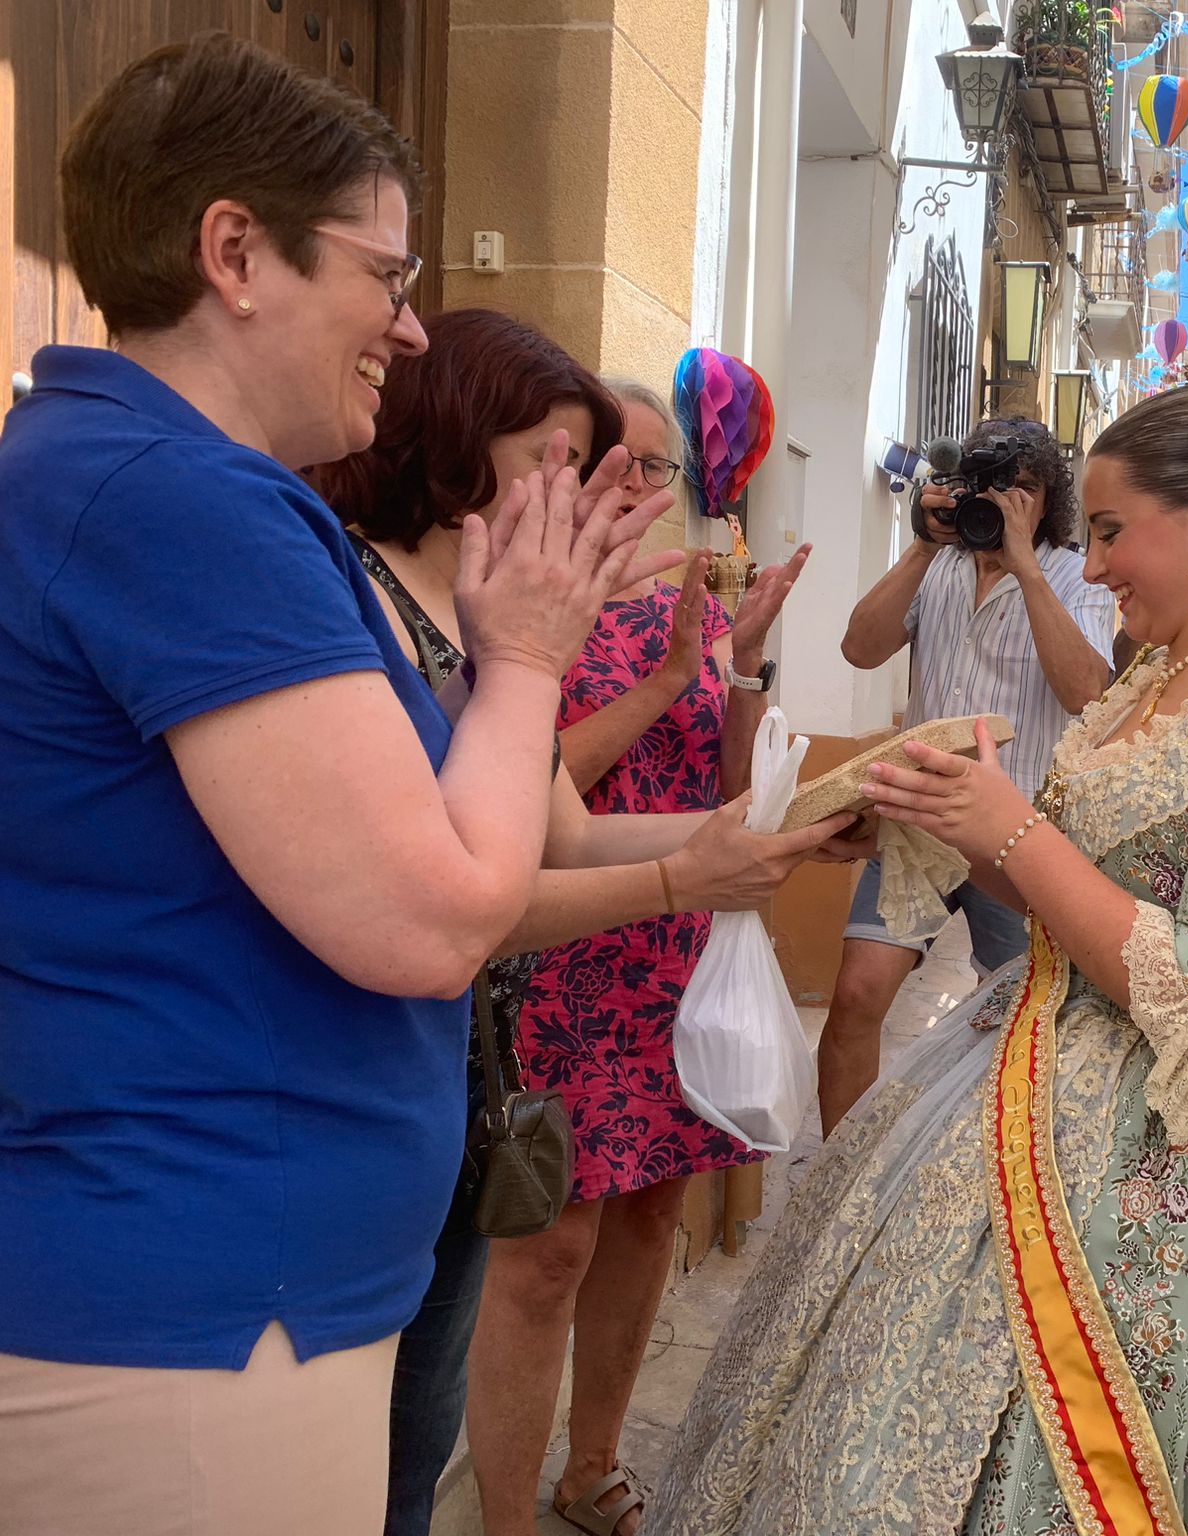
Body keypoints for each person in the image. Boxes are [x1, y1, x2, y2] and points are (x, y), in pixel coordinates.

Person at [0, 36, 678, 1534]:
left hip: (228, 1295)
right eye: (386, 272)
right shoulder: (179, 498)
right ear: (234, 253)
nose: (413, 328)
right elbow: (434, 919)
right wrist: (523, 658)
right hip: (203, 1304)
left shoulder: (150, 479)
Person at [644, 369, 1188, 1535]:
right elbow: (1066, 889)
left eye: (1107, 533)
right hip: (1027, 1053)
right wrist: (932, 818)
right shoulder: (1148, 677)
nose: (1089, 565)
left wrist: (1004, 822)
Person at [314, 312, 845, 1536]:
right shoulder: (374, 601)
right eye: (562, 464)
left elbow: (563, 832)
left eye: (630, 471)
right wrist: (680, 872)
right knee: (418, 1370)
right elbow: (467, 893)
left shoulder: (472, 616)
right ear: (453, 446)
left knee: (408, 1425)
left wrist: (764, 835)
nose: (605, 497)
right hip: (425, 1040)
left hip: (455, 1053)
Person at [815, 418, 1117, 1133]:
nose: (1005, 502)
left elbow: (1088, 693)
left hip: (1018, 836)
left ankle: (990, 1182)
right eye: (992, 486)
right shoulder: (938, 566)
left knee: (1012, 1017)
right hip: (918, 822)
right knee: (857, 995)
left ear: (1049, 502)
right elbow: (860, 648)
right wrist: (922, 545)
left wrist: (1027, 568)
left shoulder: (1079, 578)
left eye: (1024, 489)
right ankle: (838, 1179)